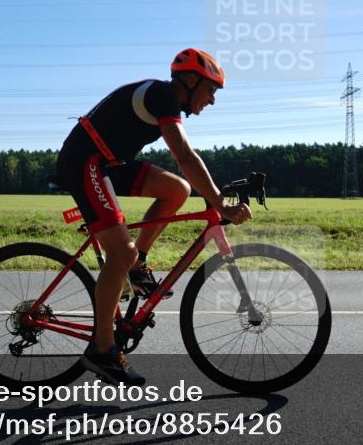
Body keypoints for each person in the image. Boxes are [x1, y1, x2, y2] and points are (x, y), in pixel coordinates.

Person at [56, 48, 252, 386]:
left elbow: (185, 170)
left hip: (109, 162)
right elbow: (185, 157)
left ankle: (137, 266)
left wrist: (213, 197)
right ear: (190, 81)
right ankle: (102, 348)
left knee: (178, 191)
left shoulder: (167, 99)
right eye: (211, 90)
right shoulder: (163, 95)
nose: (213, 100)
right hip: (85, 162)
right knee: (120, 250)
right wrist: (219, 204)